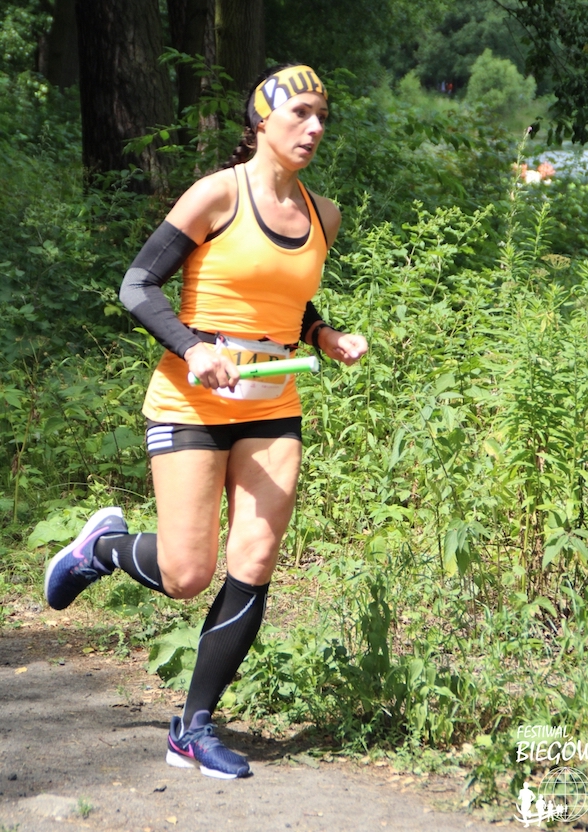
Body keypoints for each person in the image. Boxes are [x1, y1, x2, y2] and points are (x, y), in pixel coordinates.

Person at [44, 64, 368, 780]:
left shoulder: (324, 215)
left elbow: (287, 300)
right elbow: (137, 284)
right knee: (186, 573)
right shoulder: (218, 194)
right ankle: (100, 550)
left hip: (272, 406)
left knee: (253, 561)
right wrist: (193, 348)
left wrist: (325, 336)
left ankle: (193, 728)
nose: (315, 127)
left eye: (323, 115)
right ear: (261, 121)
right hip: (191, 402)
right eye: (301, 113)